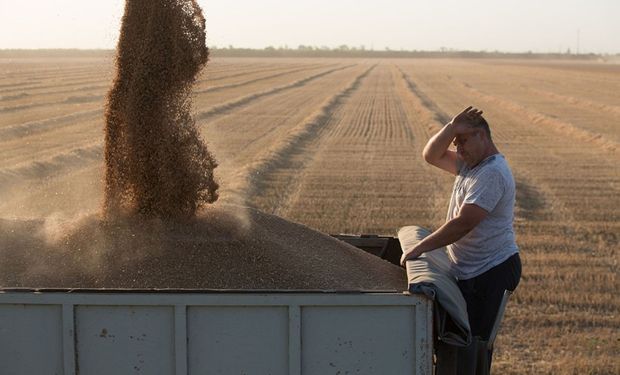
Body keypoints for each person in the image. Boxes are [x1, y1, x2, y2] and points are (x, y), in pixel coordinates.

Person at [401, 106, 522, 371]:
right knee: (461, 344)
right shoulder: (470, 165)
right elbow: (431, 155)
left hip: (491, 270)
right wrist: (452, 127)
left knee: (473, 349)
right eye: (457, 143)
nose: (459, 148)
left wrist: (421, 247)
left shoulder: (491, 173)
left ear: (482, 136)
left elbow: (464, 223)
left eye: (463, 141)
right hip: (471, 270)